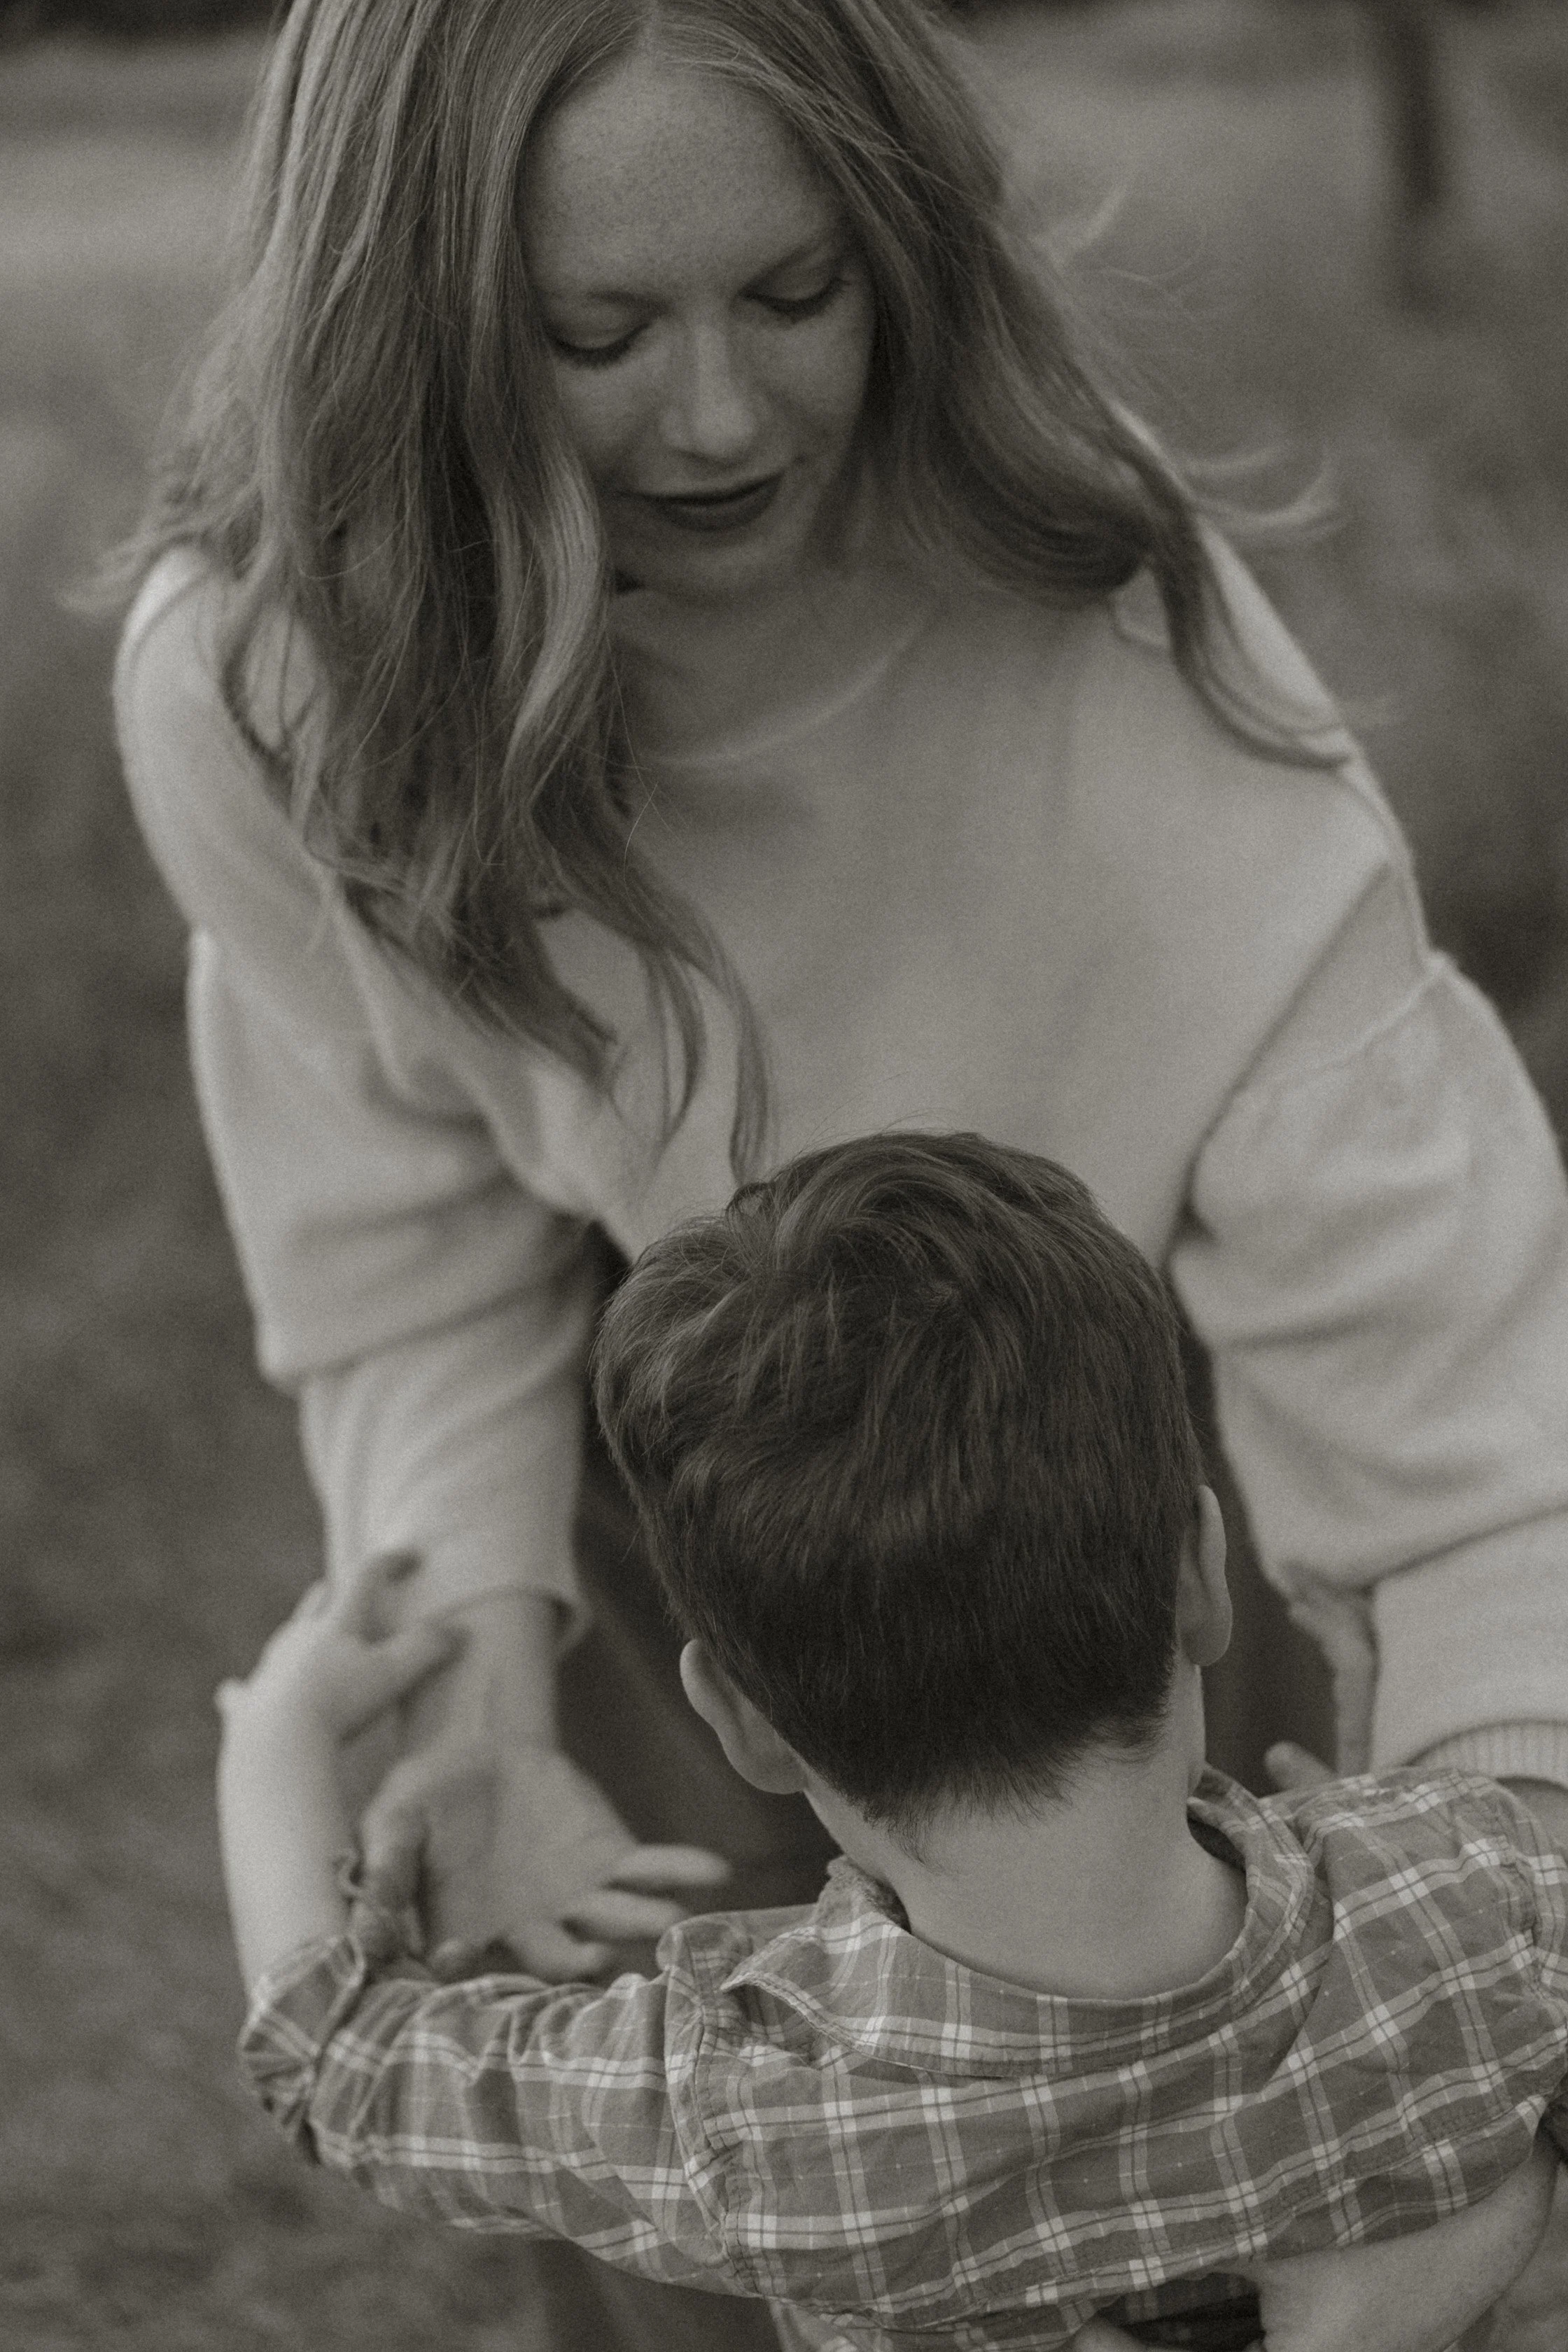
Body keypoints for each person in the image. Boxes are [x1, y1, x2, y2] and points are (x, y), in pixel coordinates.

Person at [112, 1, 1568, 2344]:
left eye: (798, 297)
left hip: (1107, 1454)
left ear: (910, 255)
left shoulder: (1116, 639)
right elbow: (399, 1246)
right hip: (666, 1467)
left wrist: (1515, 1920)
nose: (716, 415)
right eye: (597, 332)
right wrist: (481, 1668)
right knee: (702, 2212)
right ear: (412, 324)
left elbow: (1457, 1359)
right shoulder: (264, 691)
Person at [220, 1133, 1567, 2352]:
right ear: (1204, 1575)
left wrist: (272, 1749)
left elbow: (343, 2065)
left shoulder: (745, 2122)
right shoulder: (1472, 1903)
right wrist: (1386, 1860)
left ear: (743, 1722)